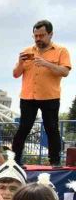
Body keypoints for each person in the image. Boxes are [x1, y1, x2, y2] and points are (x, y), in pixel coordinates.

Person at [11, 20, 71, 166]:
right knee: (23, 129)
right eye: (36, 36)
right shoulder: (27, 51)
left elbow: (65, 72)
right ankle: (14, 161)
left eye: (42, 35)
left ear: (50, 34)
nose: (38, 39)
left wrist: (46, 63)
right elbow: (15, 74)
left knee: (51, 129)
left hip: (50, 97)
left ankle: (55, 162)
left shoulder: (61, 50)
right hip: (28, 97)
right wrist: (20, 62)